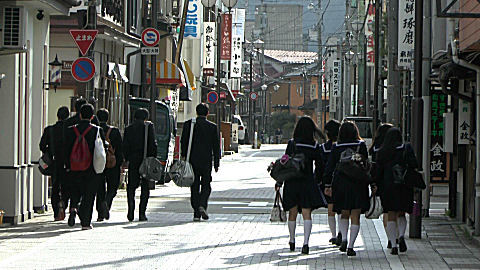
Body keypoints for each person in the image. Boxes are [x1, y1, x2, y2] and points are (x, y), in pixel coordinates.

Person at [275, 116, 327, 255]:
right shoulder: (315, 145)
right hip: (307, 181)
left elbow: (285, 163)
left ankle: (292, 241)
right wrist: (318, 180)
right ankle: (305, 243)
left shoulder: (292, 143)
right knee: (306, 213)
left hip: (292, 181)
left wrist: (279, 182)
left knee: (292, 212)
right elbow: (320, 165)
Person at [323, 121, 374, 256]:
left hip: (341, 183)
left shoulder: (336, 146)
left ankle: (344, 239)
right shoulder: (360, 145)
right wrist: (372, 183)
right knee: (355, 215)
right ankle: (351, 246)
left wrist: (327, 184)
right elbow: (366, 164)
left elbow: (329, 167)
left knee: (344, 212)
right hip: (358, 183)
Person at [375, 128, 418, 255]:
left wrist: (375, 185)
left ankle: (393, 245)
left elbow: (378, 171)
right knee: (402, 213)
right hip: (404, 186)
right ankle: (401, 236)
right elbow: (414, 164)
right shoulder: (407, 148)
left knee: (391, 214)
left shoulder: (383, 151)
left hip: (388, 186)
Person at [64, 104, 105, 230]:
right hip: (90, 169)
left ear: (80, 115)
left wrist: (67, 165)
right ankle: (85, 223)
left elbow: (65, 150)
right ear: (92, 116)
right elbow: (102, 149)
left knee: (75, 191)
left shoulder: (70, 130)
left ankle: (73, 208)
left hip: (74, 167)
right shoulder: (97, 130)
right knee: (89, 195)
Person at [181, 103, 220, 221]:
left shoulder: (189, 125)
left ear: (196, 112)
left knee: (194, 186)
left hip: (192, 161)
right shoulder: (212, 127)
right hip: (206, 161)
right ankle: (202, 205)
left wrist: (183, 157)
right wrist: (216, 162)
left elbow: (183, 142)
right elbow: (216, 146)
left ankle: (196, 212)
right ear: (208, 113)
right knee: (206, 185)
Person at [123, 108, 157, 222]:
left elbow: (125, 146)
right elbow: (153, 144)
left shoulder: (129, 129)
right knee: (145, 187)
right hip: (146, 161)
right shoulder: (148, 127)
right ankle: (142, 213)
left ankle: (130, 210)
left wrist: (127, 158)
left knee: (131, 186)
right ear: (145, 117)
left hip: (133, 161)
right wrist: (152, 158)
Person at [39, 106, 70, 221]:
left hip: (54, 162)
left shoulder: (50, 130)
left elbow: (42, 145)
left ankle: (56, 212)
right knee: (66, 186)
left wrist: (49, 152)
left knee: (55, 187)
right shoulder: (70, 130)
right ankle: (64, 204)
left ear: (57, 116)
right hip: (67, 163)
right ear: (67, 116)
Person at [95, 109, 123, 222]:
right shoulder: (114, 131)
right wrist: (120, 164)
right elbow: (120, 149)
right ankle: (107, 202)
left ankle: (100, 213)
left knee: (100, 188)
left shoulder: (95, 130)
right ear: (107, 118)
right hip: (112, 163)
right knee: (112, 188)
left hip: (98, 164)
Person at [369, 123, 394, 247]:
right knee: (395, 212)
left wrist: (373, 183)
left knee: (386, 211)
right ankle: (397, 237)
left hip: (381, 182)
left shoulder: (376, 148)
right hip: (396, 182)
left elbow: (374, 167)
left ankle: (390, 238)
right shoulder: (396, 147)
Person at [319, 119, 342, 246]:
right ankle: (340, 233)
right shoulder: (341, 146)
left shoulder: (324, 148)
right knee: (340, 209)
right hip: (342, 180)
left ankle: (333, 235)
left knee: (331, 209)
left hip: (328, 182)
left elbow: (321, 167)